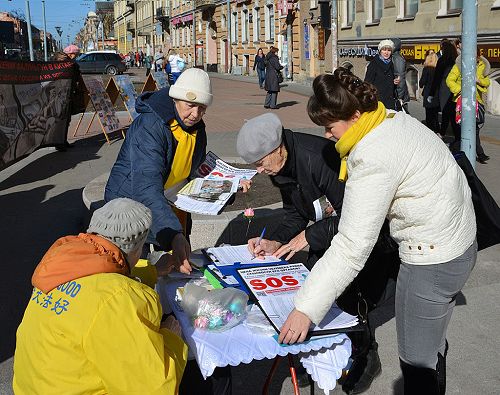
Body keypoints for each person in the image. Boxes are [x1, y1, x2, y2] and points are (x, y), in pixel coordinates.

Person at [279, 68, 477, 395]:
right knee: (430, 341)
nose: (327, 135)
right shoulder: (389, 118)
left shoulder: (372, 155)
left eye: (330, 127)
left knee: (416, 363)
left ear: (355, 116)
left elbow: (351, 246)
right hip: (458, 241)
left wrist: (305, 308)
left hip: (432, 257)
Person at [238, 113, 400, 394]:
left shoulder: (318, 158)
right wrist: (276, 241)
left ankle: (366, 355)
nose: (260, 171)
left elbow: (354, 215)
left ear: (277, 149)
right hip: (332, 232)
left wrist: (309, 236)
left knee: (353, 295)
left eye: (261, 163)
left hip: (367, 236)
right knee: (314, 287)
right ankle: (319, 350)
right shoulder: (281, 166)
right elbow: (295, 213)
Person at [13, 198, 188, 394]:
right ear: (137, 248)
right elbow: (156, 388)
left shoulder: (59, 266)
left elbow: (98, 281)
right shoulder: (119, 299)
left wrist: (152, 271)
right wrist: (171, 338)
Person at [446, 50, 491, 164]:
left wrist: (479, 80)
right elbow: (449, 80)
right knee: (461, 129)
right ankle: (457, 152)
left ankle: (479, 153)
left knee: (474, 128)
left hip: (476, 101)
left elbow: (487, 82)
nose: (475, 58)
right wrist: (460, 89)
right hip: (461, 102)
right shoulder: (459, 65)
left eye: (476, 55)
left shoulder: (481, 65)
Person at [428, 40, 459, 145]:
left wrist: (431, 93)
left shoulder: (442, 60)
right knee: (452, 113)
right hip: (456, 89)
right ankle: (455, 136)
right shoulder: (456, 60)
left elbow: (436, 78)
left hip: (445, 90)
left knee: (447, 112)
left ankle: (443, 134)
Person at [365, 39, 400, 110]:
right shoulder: (373, 64)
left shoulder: (391, 64)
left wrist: (394, 82)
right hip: (378, 102)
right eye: (384, 50)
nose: (386, 52)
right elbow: (367, 84)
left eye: (389, 50)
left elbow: (387, 81)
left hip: (390, 101)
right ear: (380, 51)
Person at [419, 51, 440, 133]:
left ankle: (430, 131)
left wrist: (421, 84)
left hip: (428, 93)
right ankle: (437, 130)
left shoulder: (427, 69)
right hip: (436, 93)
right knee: (435, 114)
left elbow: (422, 82)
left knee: (429, 114)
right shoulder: (438, 69)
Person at [391, 38, 411, 113]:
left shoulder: (397, 59)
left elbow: (400, 78)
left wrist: (400, 96)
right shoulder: (394, 57)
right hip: (396, 93)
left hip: (399, 96)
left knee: (402, 117)